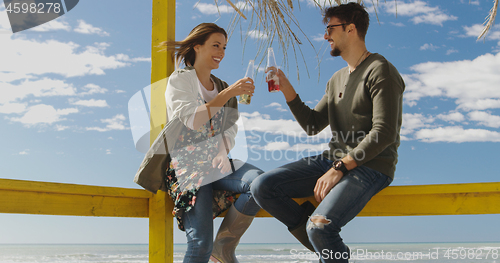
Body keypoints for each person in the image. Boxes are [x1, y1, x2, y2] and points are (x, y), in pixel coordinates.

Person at [251, 3, 405, 262]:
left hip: (371, 166)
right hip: (332, 160)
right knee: (263, 186)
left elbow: (385, 132)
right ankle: (325, 248)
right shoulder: (336, 79)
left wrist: (340, 168)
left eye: (330, 28)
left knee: (321, 227)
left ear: (351, 29)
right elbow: (312, 124)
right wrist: (287, 89)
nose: (325, 36)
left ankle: (321, 240)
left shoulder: (380, 69)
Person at [162, 23, 263, 263]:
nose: (221, 52)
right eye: (215, 45)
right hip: (188, 167)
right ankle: (212, 248)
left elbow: (229, 129)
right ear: (197, 46)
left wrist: (222, 151)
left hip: (216, 163)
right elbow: (192, 119)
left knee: (260, 183)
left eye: (224, 47)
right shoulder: (181, 79)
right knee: (199, 246)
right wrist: (228, 94)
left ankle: (224, 246)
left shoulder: (222, 86)